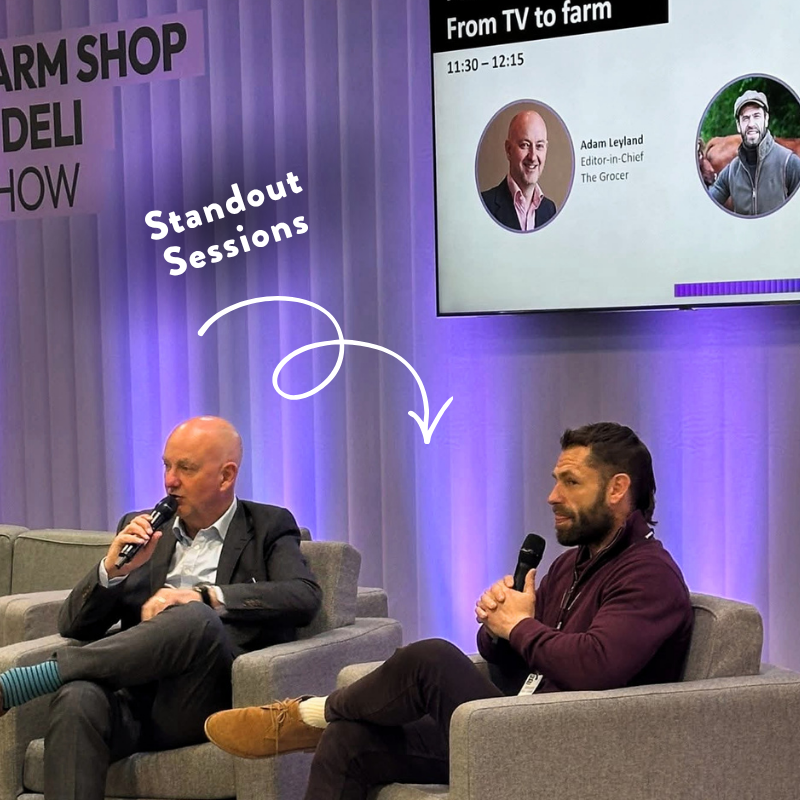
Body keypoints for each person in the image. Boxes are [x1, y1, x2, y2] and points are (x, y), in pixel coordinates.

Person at [204, 422, 693, 800]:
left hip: (575, 748)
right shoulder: (571, 563)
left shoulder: (648, 575)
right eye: (554, 480)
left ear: (616, 489)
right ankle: (326, 724)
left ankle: (307, 716)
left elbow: (594, 664)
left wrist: (520, 625)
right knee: (349, 741)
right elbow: (520, 662)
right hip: (515, 726)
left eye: (570, 482)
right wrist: (500, 630)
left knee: (431, 658)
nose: (553, 496)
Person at [0, 416, 321, 800]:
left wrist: (207, 596)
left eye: (185, 468)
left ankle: (27, 682)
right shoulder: (144, 528)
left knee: (194, 616)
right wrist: (112, 571)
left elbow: (303, 595)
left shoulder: (268, 525)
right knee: (77, 697)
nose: (170, 481)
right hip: (132, 699)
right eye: (167, 466)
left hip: (200, 699)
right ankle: (53, 680)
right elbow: (75, 626)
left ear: (225, 476)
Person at [708, 89, 800, 215]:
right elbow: (706, 206)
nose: (751, 124)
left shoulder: (790, 163)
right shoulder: (730, 172)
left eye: (756, 116)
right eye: (745, 118)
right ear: (738, 125)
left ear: (766, 119)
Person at [480, 109, 557, 231]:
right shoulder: (484, 205)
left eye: (539, 146)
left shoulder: (550, 210)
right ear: (509, 150)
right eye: (525, 145)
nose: (532, 156)